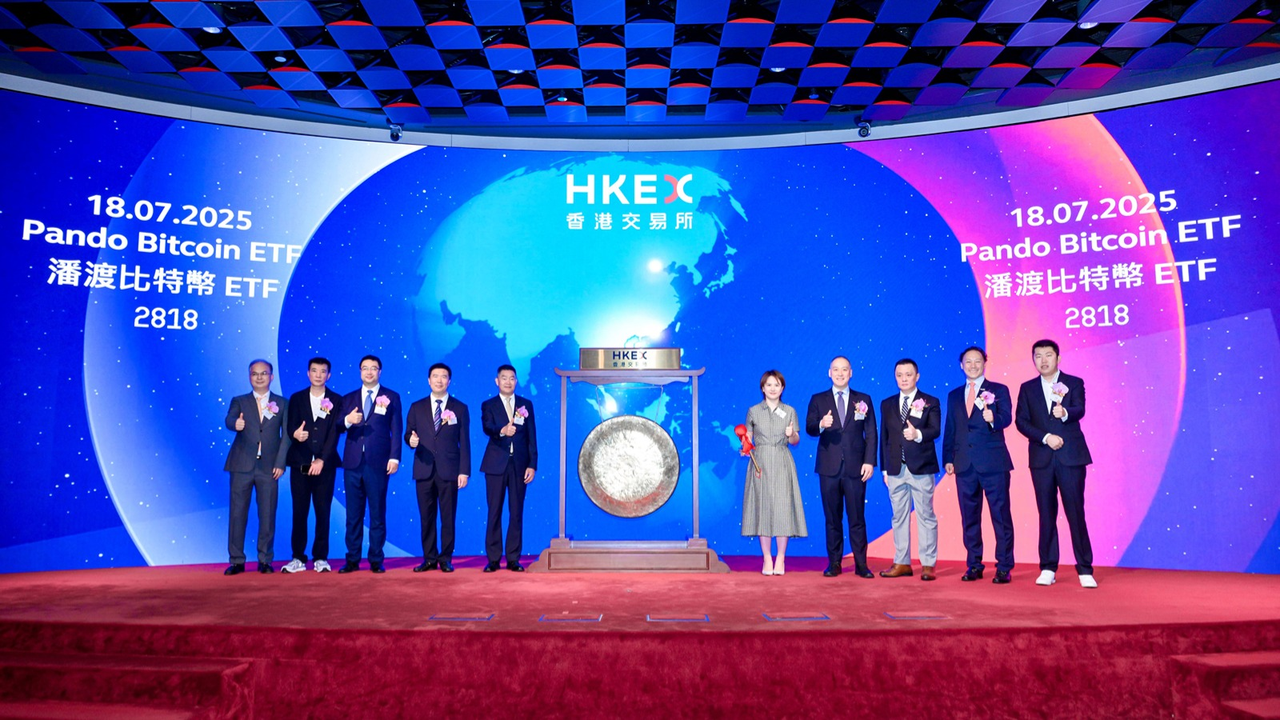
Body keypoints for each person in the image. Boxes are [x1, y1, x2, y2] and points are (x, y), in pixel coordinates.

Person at [1015, 339, 1096, 588]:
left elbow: (1080, 408)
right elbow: (1021, 421)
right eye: (1038, 356)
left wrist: (1066, 413)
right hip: (1042, 459)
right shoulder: (1027, 388)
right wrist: (1045, 437)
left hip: (1070, 457)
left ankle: (1085, 569)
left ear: (1058, 358)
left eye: (1048, 355)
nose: (1043, 360)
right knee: (1046, 513)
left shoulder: (1074, 382)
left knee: (1075, 512)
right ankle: (1048, 567)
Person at [942, 346, 1015, 584]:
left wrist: (994, 419)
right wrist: (948, 458)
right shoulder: (954, 395)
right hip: (964, 465)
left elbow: (1007, 418)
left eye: (977, 361)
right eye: (968, 361)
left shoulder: (998, 390)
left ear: (985, 363)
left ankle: (1004, 566)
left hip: (994, 463)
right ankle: (974, 564)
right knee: (970, 518)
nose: (973, 365)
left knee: (1000, 516)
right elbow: (951, 428)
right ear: (961, 365)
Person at [806, 356, 878, 578]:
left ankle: (861, 564)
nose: (840, 373)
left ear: (851, 373)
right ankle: (834, 563)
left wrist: (869, 461)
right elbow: (809, 427)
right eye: (836, 370)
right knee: (832, 519)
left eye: (844, 369)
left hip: (856, 468)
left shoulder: (863, 399)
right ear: (829, 373)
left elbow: (871, 433)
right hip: (828, 468)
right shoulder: (818, 399)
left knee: (857, 518)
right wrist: (821, 424)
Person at [222, 359, 290, 575]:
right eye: (255, 373)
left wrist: (280, 463)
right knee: (237, 514)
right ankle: (236, 561)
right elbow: (229, 419)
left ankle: (265, 559)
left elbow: (286, 436)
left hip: (269, 467)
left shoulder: (282, 403)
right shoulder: (239, 401)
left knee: (268, 514)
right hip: (241, 465)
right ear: (249, 377)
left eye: (264, 373)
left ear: (271, 377)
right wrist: (235, 424)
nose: (259, 377)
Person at [878, 359, 941, 581]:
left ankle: (928, 564)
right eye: (899, 375)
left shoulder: (930, 401)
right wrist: (884, 469)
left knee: (925, 516)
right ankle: (902, 562)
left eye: (908, 374)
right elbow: (884, 438)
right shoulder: (887, 403)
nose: (904, 379)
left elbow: (935, 430)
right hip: (895, 469)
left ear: (917, 376)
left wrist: (918, 434)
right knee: (898, 517)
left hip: (921, 468)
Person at [338, 355, 402, 574]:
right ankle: (352, 559)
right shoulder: (348, 399)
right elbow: (337, 425)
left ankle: (376, 559)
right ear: (360, 372)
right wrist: (348, 421)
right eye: (365, 368)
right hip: (353, 463)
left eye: (373, 368)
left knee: (377, 513)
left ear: (380, 372)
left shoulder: (391, 397)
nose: (369, 372)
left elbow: (396, 429)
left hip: (378, 463)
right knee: (353, 515)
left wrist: (394, 457)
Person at [405, 362, 471, 573]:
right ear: (428, 380)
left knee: (448, 516)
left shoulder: (460, 408)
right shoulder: (417, 407)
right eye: (435, 376)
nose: (439, 380)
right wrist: (411, 441)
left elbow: (465, 442)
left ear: (449, 381)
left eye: (444, 376)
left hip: (449, 470)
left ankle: (446, 558)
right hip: (423, 468)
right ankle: (429, 558)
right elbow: (408, 433)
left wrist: (464, 471)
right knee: (427, 516)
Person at [741, 370, 807, 576]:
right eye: (769, 385)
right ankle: (767, 558)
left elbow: (795, 441)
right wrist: (745, 447)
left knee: (782, 509)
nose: (772, 388)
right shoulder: (753, 411)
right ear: (763, 388)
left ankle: (781, 558)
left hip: (782, 461)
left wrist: (792, 434)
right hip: (760, 462)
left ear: (782, 388)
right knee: (763, 508)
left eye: (776, 385)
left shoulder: (789, 411)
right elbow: (748, 438)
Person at [282, 357, 345, 574]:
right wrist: (295, 434)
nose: (318, 375)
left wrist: (322, 459)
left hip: (325, 466)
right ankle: (298, 557)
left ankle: (320, 557)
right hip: (300, 463)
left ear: (329, 375)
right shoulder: (297, 398)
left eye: (323, 371)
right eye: (314, 371)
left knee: (323, 512)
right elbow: (290, 426)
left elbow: (335, 433)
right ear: (308, 373)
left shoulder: (336, 400)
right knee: (299, 512)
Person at [479, 364, 536, 573]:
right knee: (494, 511)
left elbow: (532, 437)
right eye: (504, 378)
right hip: (495, 464)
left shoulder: (526, 404)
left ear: (516, 381)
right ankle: (493, 559)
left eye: (512, 378)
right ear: (497, 381)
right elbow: (487, 427)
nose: (508, 382)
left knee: (516, 512)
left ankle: (513, 558)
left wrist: (532, 464)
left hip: (519, 466)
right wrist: (502, 430)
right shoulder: (489, 404)